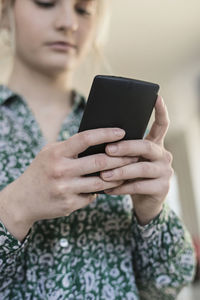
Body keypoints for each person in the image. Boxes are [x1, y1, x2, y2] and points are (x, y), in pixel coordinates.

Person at [0, 0, 196, 299]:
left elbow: (167, 286)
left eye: (83, 9)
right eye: (46, 2)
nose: (69, 23)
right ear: (5, 12)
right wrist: (14, 208)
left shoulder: (130, 139)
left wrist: (152, 211)